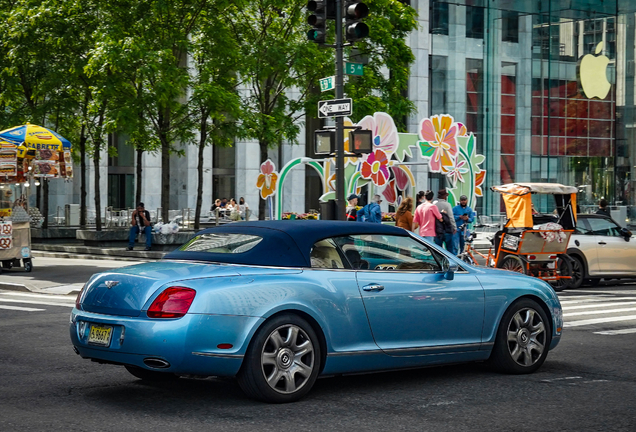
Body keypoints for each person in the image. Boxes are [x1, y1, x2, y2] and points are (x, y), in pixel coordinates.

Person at [434, 189, 457, 254]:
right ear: (445, 197)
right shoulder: (447, 205)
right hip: (447, 229)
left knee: (438, 250)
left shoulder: (435, 205)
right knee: (450, 249)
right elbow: (451, 217)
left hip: (438, 230)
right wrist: (454, 227)